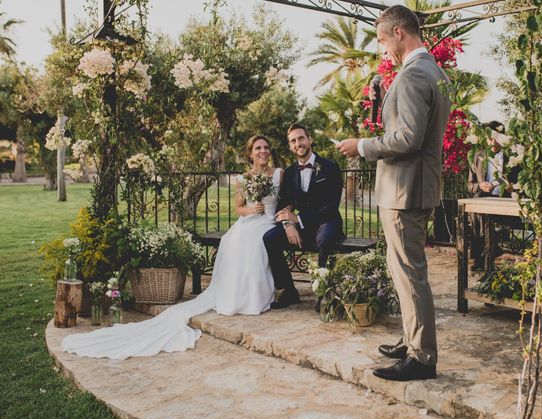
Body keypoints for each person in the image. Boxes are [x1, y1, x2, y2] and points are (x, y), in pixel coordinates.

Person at [62, 135, 281, 360]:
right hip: (249, 220)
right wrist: (251, 210)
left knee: (254, 242)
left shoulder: (278, 174)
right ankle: (237, 296)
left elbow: (287, 200)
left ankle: (256, 296)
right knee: (234, 241)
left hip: (269, 221)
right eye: (257, 148)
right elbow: (238, 209)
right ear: (250, 153)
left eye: (265, 147)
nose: (262, 151)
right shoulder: (243, 178)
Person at [337, 5, 449, 381]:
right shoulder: (431, 71)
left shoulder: (415, 74)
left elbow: (407, 138)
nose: (382, 50)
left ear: (399, 32)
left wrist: (363, 146)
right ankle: (411, 338)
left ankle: (421, 358)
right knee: (402, 271)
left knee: (409, 273)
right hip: (411, 188)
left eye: (383, 41)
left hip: (404, 192)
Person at [263, 123, 344, 309]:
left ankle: (324, 292)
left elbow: (331, 206)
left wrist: (298, 219)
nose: (297, 143)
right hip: (301, 226)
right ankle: (289, 291)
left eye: (301, 138)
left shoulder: (330, 167)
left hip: (327, 222)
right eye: (293, 141)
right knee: (270, 238)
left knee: (325, 238)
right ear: (290, 146)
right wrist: (288, 225)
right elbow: (283, 204)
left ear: (310, 140)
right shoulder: (290, 172)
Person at [467, 121, 518, 271]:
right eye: (489, 138)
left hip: (505, 203)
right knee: (478, 212)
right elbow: (470, 185)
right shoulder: (478, 157)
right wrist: (480, 185)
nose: (492, 142)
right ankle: (487, 254)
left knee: (483, 215)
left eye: (495, 138)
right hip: (483, 201)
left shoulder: (512, 157)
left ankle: (483, 257)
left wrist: (511, 187)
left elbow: (519, 184)